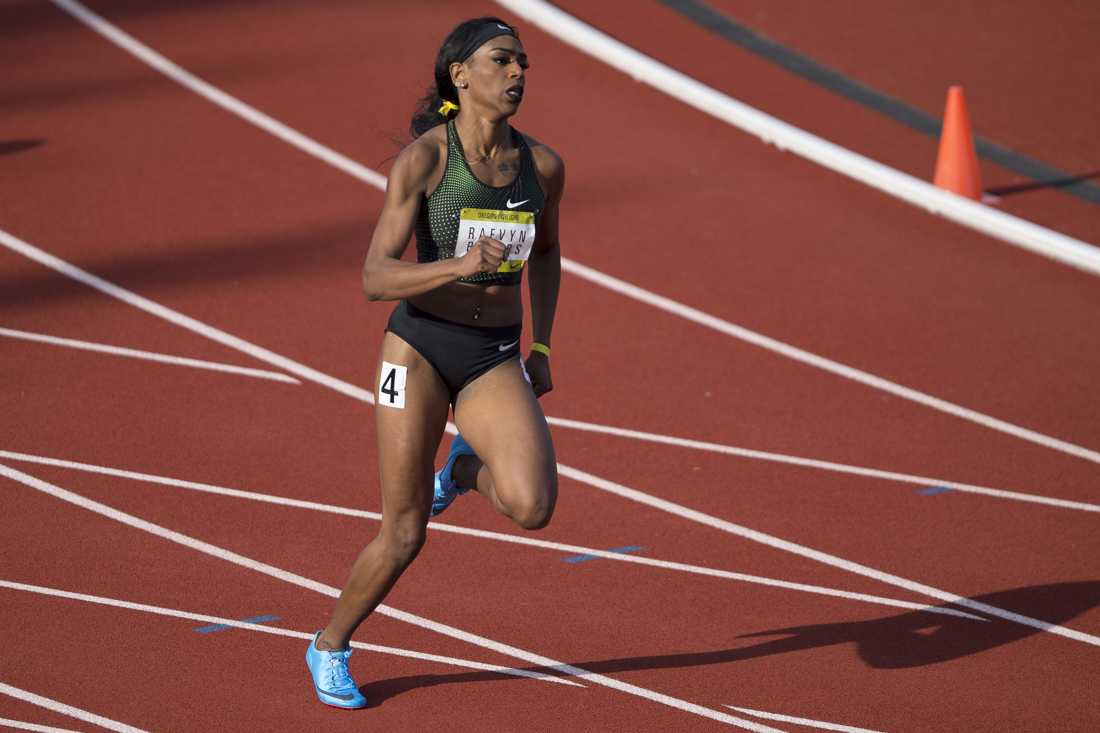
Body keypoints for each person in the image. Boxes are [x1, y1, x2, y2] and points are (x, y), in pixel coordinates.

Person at [305, 17, 564, 709]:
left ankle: (465, 469)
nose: (517, 74)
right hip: (418, 349)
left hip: (493, 355)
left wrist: (540, 346)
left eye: (523, 63)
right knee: (405, 529)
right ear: (461, 75)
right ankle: (330, 643)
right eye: (501, 60)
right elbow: (374, 277)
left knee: (535, 505)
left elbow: (545, 255)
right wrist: (458, 264)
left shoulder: (541, 167)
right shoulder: (425, 160)